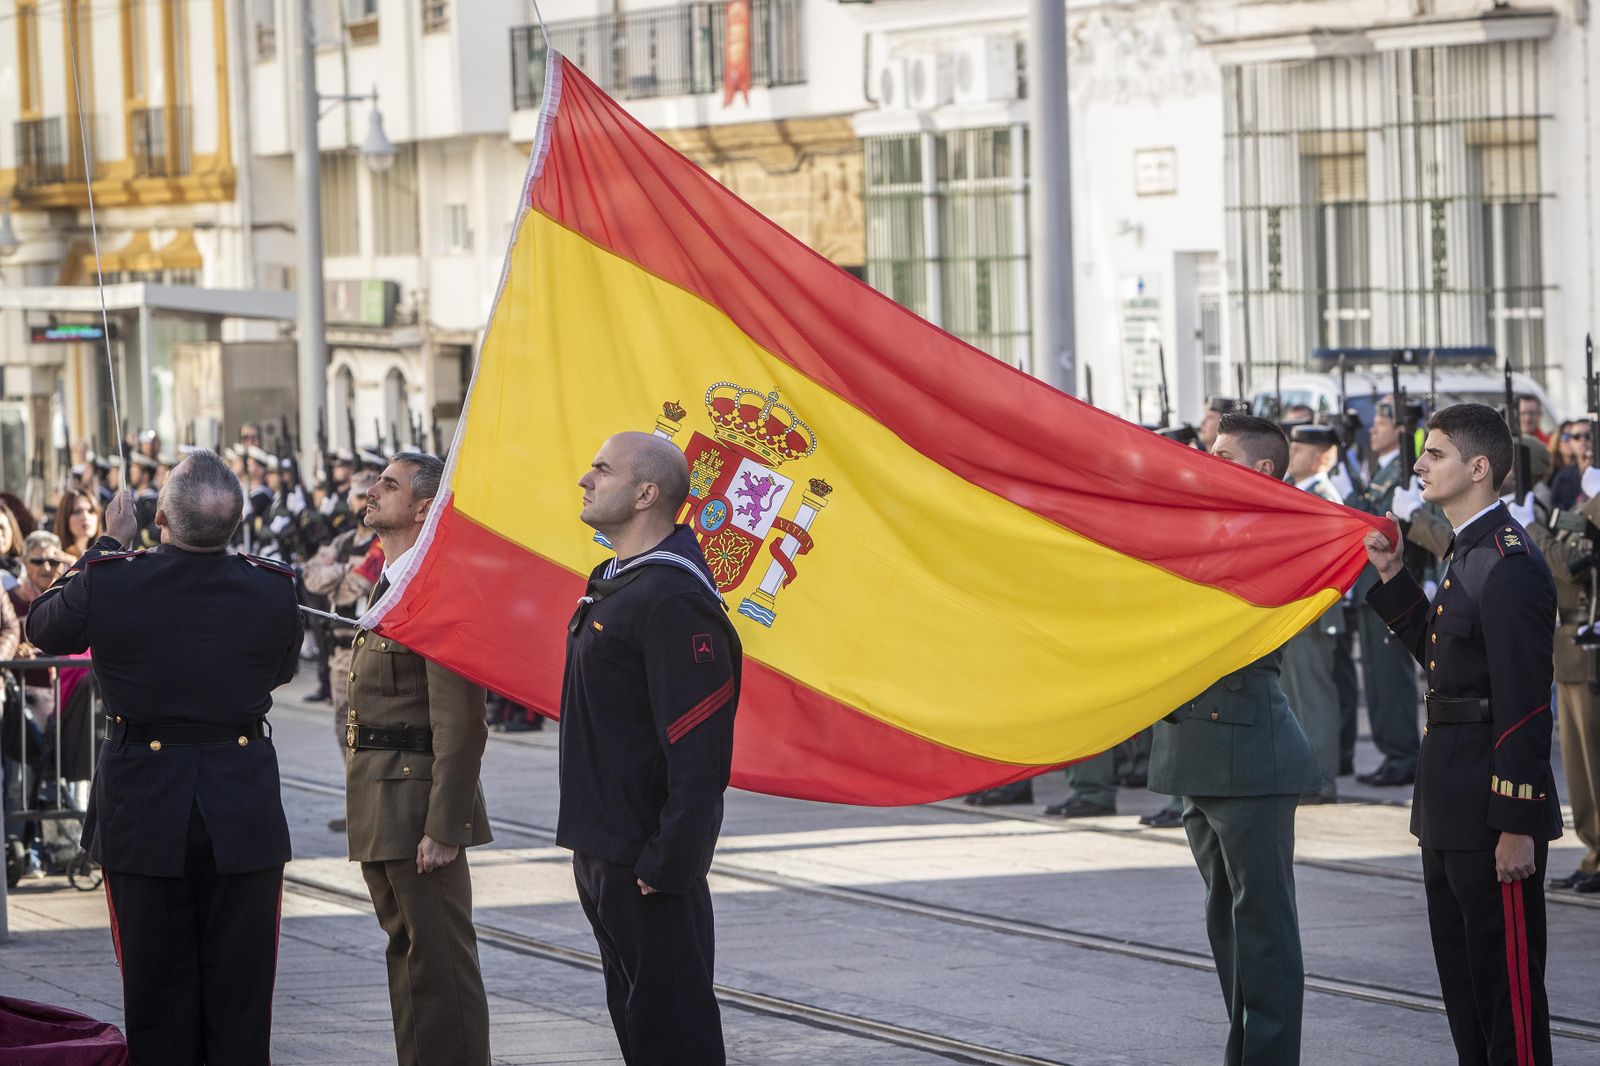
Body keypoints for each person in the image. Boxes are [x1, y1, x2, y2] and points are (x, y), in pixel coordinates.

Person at [26, 450, 302, 1065]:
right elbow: (279, 671)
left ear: (160, 521)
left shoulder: (111, 577)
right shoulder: (275, 588)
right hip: (241, 803)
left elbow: (44, 627)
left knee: (156, 997)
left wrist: (104, 543)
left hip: (143, 802)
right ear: (235, 527)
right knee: (242, 1000)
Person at [1362, 402, 1560, 1066]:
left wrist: (1517, 822)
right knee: (1464, 983)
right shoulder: (1468, 552)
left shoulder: (1508, 561)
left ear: (1479, 468)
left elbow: (1526, 704)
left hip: (1487, 807)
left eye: (1435, 453)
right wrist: (1393, 577)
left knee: (1505, 991)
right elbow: (1450, 664)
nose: (1419, 465)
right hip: (1448, 800)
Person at [1147, 413, 1322, 1066]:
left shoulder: (1272, 538)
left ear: (1263, 472)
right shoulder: (1210, 530)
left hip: (1249, 759)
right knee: (1228, 928)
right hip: (1198, 757)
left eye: (1220, 453)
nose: (1206, 459)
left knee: (1264, 934)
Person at [562, 432, 742, 1065]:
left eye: (601, 469)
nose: (586, 479)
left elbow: (700, 751)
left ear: (646, 493)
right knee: (640, 1029)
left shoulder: (672, 598)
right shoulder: (617, 581)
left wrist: (670, 862)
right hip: (605, 849)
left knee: (674, 1033)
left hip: (646, 862)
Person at [344, 451, 492, 1066]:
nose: (372, 493)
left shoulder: (433, 587)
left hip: (417, 804)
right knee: (407, 961)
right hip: (383, 800)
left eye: (389, 485)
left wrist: (444, 824)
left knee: (440, 971)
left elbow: (461, 719)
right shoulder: (394, 579)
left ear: (425, 507)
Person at [1528, 466, 1600, 894]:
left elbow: (1571, 565)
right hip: (1570, 650)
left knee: (1593, 761)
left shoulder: (1588, 506)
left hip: (1587, 652)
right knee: (1579, 768)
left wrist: (1533, 527)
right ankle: (1593, 853)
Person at [1346, 398, 1421, 787]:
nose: (1373, 428)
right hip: (1371, 587)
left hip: (1393, 584)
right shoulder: (1379, 468)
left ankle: (1403, 754)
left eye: (1381, 421)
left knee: (1391, 677)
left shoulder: (1406, 472)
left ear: (1401, 428)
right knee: (1375, 676)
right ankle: (1393, 752)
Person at [1279, 424, 1347, 804]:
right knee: (1296, 697)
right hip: (1297, 609)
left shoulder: (1323, 495)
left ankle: (1320, 779)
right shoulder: (1300, 492)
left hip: (1314, 611)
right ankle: (1306, 774)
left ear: (1321, 456)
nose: (1294, 453)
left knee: (1314, 698)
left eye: (1301, 448)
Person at [303, 473, 382, 750]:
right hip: (339, 650)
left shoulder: (381, 545)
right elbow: (311, 576)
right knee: (342, 726)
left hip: (368, 648)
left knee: (370, 726)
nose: (363, 504)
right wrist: (344, 570)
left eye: (368, 497)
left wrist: (336, 579)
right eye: (358, 497)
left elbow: (359, 584)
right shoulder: (342, 542)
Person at [52, 488, 102, 559]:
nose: (85, 517)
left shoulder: (105, 555)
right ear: (65, 518)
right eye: (77, 512)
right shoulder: (55, 558)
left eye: (90, 511)